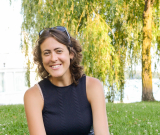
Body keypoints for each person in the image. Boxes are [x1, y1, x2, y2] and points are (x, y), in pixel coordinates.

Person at [24, 26, 109, 135]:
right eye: (46, 53)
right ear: (41, 58)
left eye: (59, 51)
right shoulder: (33, 95)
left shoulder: (93, 86)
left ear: (71, 53)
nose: (53, 58)